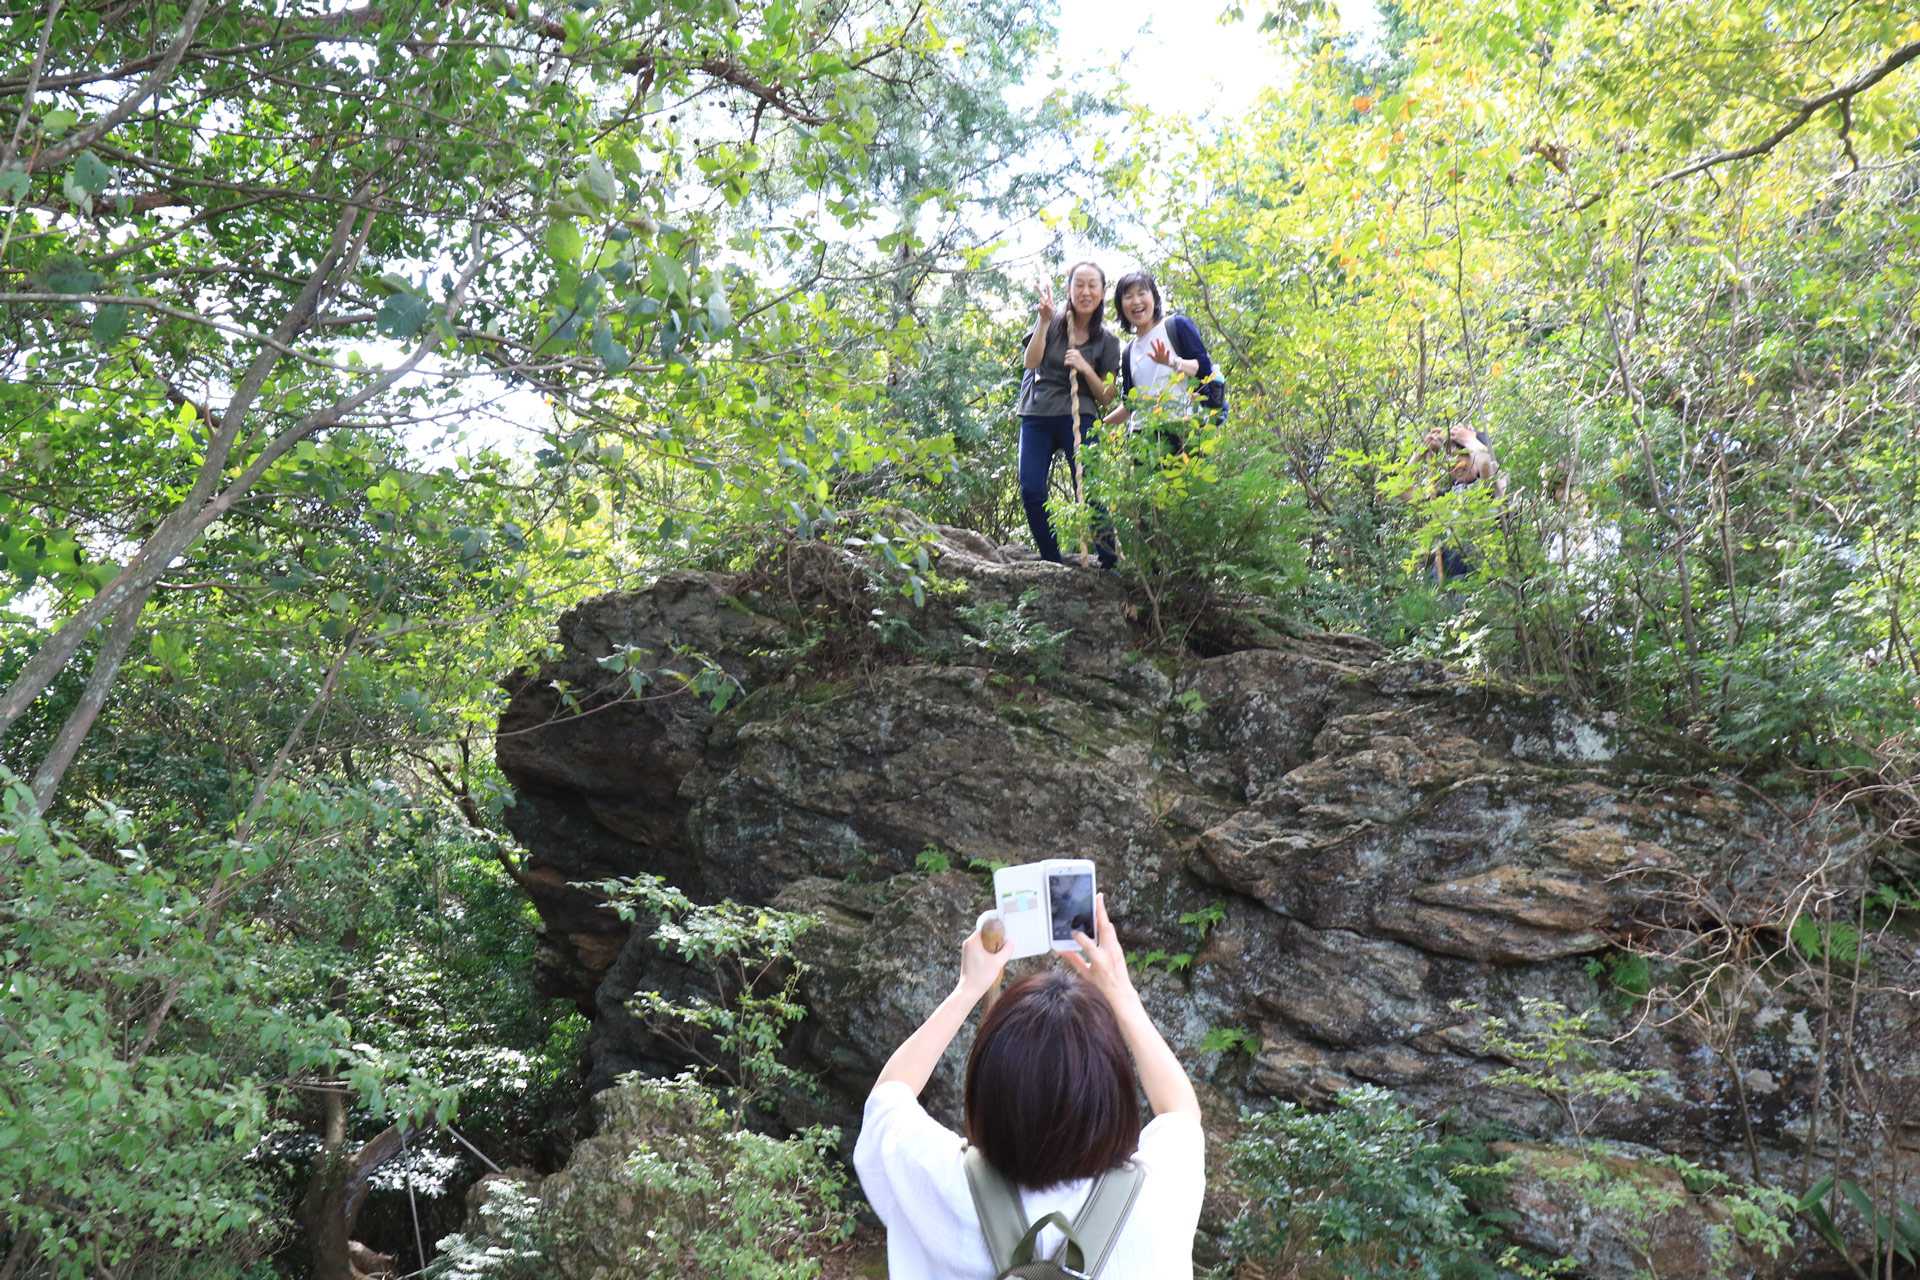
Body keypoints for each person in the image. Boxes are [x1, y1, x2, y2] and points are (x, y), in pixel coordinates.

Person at [854, 893, 1204, 1280]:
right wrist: (1121, 994)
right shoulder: (1157, 1202)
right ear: (1114, 1098)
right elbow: (1181, 1112)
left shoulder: (937, 1184)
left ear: (986, 1093)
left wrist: (968, 988)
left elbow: (889, 1096)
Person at [1017, 262, 1121, 567]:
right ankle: (1052, 561)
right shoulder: (1052, 320)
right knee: (1032, 489)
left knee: (1092, 493)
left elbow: (1107, 395)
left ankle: (1109, 563)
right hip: (1038, 414)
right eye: (1079, 284)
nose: (1085, 291)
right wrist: (1044, 321)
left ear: (1103, 292)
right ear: (1069, 289)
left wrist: (1086, 367)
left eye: (1092, 285)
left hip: (1081, 416)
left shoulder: (1109, 341)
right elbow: (1031, 361)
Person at [1101, 270, 1226, 450]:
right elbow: (1131, 404)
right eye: (1128, 297)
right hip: (1143, 438)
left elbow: (1204, 370)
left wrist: (1172, 362)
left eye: (1142, 293)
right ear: (1121, 306)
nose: (1136, 301)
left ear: (1154, 297)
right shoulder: (1129, 351)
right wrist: (1098, 426)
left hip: (1184, 428)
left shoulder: (1177, 326)